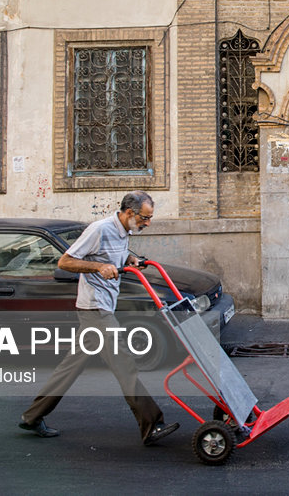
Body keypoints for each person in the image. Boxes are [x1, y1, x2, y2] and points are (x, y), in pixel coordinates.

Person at [18, 190, 179, 445]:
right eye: (145, 218)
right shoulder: (99, 229)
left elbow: (116, 254)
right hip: (95, 309)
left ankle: (32, 417)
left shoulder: (124, 231)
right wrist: (98, 267)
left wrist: (132, 258)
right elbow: (65, 262)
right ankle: (152, 424)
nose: (147, 223)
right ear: (129, 213)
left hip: (102, 307)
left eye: (149, 218)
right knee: (125, 365)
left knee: (69, 368)